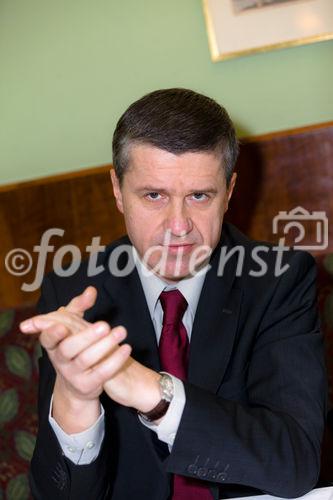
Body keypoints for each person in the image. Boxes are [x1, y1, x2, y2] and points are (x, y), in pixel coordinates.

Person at [20, 88, 326, 500]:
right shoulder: (74, 294)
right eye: (153, 196)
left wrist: (153, 392)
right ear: (117, 189)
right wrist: (76, 401)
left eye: (199, 196)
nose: (177, 225)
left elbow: (296, 464)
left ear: (229, 191)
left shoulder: (280, 281)